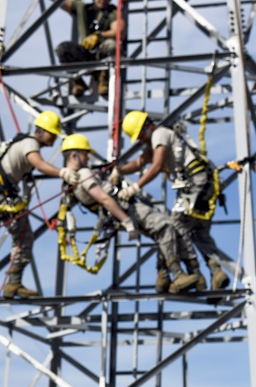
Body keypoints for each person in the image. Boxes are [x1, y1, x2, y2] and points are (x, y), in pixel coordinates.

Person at [61, 134, 203, 293]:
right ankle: (178, 275)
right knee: (165, 227)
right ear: (74, 155)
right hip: (125, 209)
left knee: (161, 232)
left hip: (117, 213)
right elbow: (104, 198)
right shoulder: (84, 174)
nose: (87, 159)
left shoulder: (70, 181)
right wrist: (127, 221)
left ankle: (164, 278)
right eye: (85, 154)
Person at [0, 111, 81, 302]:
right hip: (1, 195)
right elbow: (39, 164)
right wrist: (63, 173)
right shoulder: (31, 144)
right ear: (41, 131)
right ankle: (13, 282)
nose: (53, 138)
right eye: (51, 134)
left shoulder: (21, 142)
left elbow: (22, 165)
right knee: (23, 235)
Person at [117, 110, 233, 290]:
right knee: (199, 232)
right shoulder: (156, 139)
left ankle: (193, 274)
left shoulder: (159, 134)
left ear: (147, 128)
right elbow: (140, 163)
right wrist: (119, 170)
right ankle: (216, 272)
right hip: (200, 183)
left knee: (174, 225)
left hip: (194, 182)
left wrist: (134, 187)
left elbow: (155, 166)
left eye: (140, 136)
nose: (140, 141)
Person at [55, 0, 124, 97]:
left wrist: (99, 36)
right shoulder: (83, 9)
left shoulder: (112, 12)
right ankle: (78, 82)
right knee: (63, 49)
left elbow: (118, 32)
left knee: (112, 45)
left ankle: (103, 80)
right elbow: (62, 2)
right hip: (85, 53)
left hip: (101, 55)